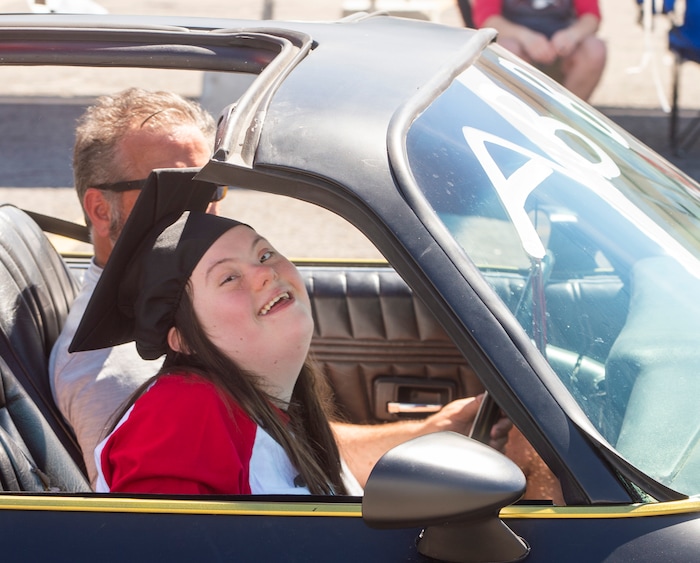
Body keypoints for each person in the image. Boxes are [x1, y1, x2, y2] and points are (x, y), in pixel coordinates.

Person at [50, 88, 511, 488]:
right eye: (176, 191)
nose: (205, 209)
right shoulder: (127, 384)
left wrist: (432, 431)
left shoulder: (213, 365)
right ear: (101, 209)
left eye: (212, 189)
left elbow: (269, 452)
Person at [472, 0, 606, 101]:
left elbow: (591, 16)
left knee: (595, 49)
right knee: (506, 50)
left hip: (562, 47)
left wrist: (572, 34)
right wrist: (525, 37)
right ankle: (519, 118)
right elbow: (486, 18)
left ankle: (569, 120)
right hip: (516, 43)